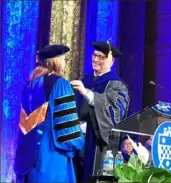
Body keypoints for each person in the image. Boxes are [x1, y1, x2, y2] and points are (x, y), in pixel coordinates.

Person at [13, 44, 84, 183]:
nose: (64, 63)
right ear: (56, 61)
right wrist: (78, 141)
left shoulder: (29, 85)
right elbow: (68, 131)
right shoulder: (60, 84)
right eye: (64, 59)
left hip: (26, 161)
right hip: (51, 160)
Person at [70, 41, 129, 181]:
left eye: (101, 57)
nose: (95, 60)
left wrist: (87, 93)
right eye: (94, 55)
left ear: (111, 60)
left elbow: (116, 114)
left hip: (97, 144)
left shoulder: (116, 85)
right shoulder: (85, 80)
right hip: (75, 139)